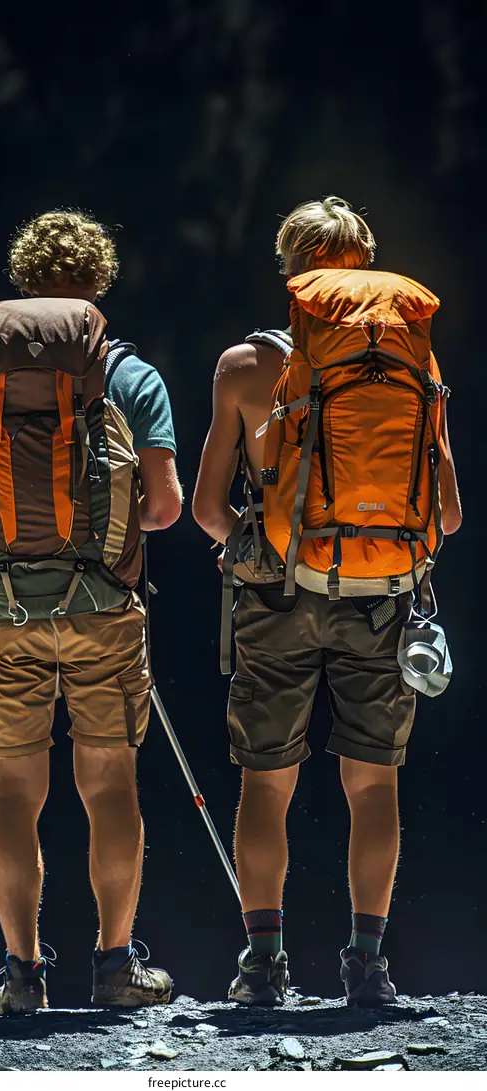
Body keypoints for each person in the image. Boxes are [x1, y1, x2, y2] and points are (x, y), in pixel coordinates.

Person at [192, 196, 462, 1007]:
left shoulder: (246, 367)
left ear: (290, 270)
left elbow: (208, 509)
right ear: (369, 263)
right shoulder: (417, 360)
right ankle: (368, 966)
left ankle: (263, 964)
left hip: (277, 594)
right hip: (383, 597)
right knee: (373, 787)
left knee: (265, 785)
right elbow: (447, 516)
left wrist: (268, 537)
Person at [0, 210, 182, 1012]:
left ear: (24, 281)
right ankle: (116, 968)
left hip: (5, 609)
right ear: (100, 283)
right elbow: (166, 509)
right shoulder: (131, 377)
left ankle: (21, 975)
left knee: (14, 788)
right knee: (109, 783)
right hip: (103, 608)